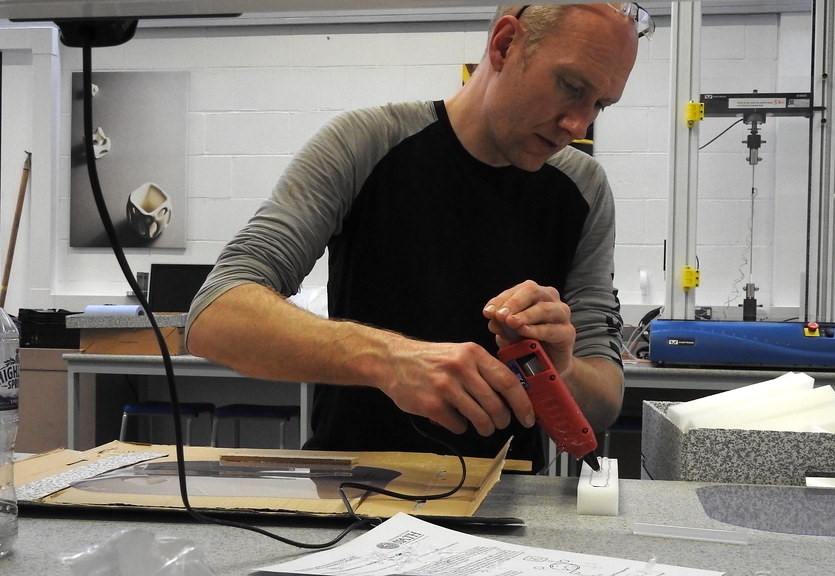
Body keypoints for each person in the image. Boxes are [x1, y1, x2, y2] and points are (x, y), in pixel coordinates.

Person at [186, 4, 644, 470]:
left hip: (510, 502)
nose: (579, 125)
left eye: (600, 105)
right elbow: (214, 315)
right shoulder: (365, 143)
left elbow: (603, 403)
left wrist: (563, 370)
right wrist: (390, 360)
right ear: (506, 44)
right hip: (354, 495)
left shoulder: (584, 189)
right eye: (571, 87)